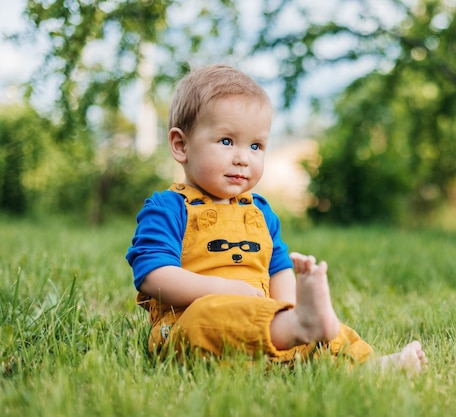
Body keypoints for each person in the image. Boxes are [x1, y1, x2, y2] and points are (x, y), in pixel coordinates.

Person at [126, 64, 427, 374]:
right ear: (181, 145)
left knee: (325, 330)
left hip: (265, 323)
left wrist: (288, 310)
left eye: (256, 145)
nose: (243, 157)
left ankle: (367, 365)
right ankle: (294, 330)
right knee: (206, 316)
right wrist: (225, 290)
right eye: (227, 141)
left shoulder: (260, 212)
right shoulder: (168, 208)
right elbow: (154, 275)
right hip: (189, 325)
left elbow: (278, 269)